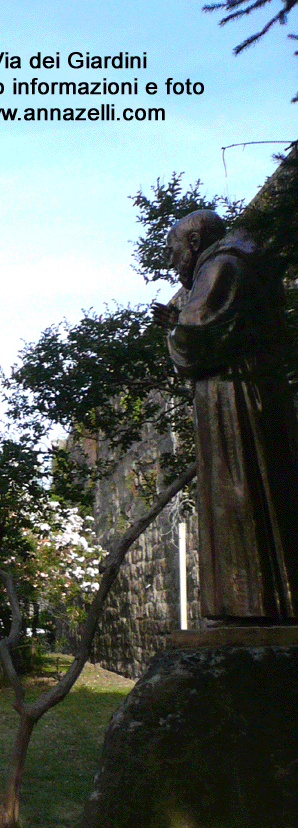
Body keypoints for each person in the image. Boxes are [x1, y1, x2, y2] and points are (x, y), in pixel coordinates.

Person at [154, 209, 298, 624]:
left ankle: (252, 606)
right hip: (249, 390)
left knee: (240, 492)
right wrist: (179, 321)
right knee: (257, 493)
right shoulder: (237, 262)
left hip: (234, 397)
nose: (171, 259)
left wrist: (178, 326)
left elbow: (198, 336)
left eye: (173, 249)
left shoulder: (222, 266)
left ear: (194, 242)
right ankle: (263, 603)